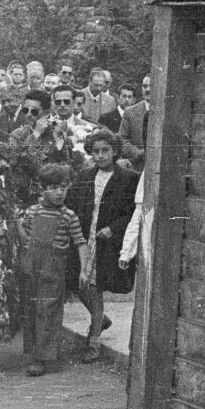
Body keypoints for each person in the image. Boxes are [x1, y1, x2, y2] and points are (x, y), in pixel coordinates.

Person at [68, 129, 139, 363]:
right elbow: (72, 202)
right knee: (78, 282)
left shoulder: (128, 177)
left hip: (107, 242)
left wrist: (113, 228)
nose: (100, 156)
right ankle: (101, 320)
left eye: (105, 151)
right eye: (96, 151)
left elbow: (132, 212)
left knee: (95, 289)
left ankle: (94, 341)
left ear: (115, 151)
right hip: (84, 237)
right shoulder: (85, 175)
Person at [18, 164, 88, 376]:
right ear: (42, 188)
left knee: (48, 311)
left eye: (64, 187)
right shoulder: (33, 211)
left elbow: (81, 243)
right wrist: (18, 226)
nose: (60, 192)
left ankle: (41, 358)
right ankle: (35, 351)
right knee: (32, 310)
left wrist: (84, 270)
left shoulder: (69, 216)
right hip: (33, 269)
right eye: (54, 187)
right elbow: (25, 237)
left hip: (53, 270)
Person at [118, 75, 151, 172]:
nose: (147, 89)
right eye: (145, 86)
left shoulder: (167, 111)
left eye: (151, 86)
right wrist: (138, 153)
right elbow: (122, 140)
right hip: (137, 168)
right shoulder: (130, 112)